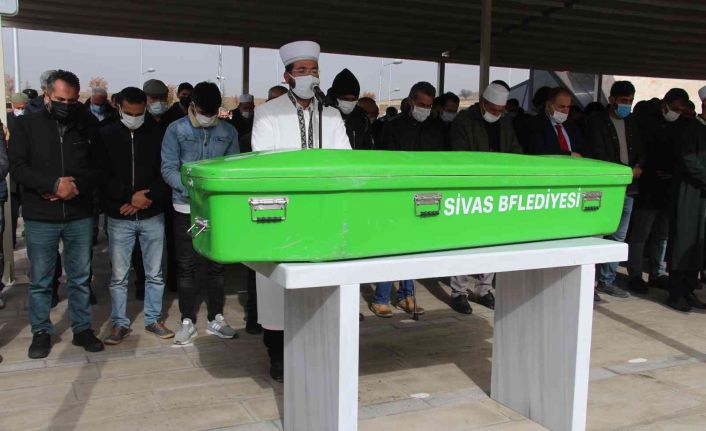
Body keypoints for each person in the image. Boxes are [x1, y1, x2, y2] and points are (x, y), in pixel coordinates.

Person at [251, 40, 350, 382]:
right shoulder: (269, 112)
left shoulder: (331, 114)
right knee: (277, 289)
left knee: (320, 284)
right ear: (288, 76)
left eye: (314, 69)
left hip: (323, 214)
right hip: (284, 213)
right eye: (302, 70)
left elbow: (344, 161)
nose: (310, 75)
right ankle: (277, 355)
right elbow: (264, 163)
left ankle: (317, 348)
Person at [9, 70, 104, 359]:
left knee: (80, 277)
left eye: (72, 100)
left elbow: (99, 167)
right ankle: (41, 331)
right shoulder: (26, 125)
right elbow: (18, 167)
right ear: (47, 96)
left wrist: (73, 187)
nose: (66, 105)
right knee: (41, 279)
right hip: (41, 215)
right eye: (60, 99)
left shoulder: (87, 124)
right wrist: (52, 185)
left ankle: (82, 328)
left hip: (78, 213)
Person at [162, 81, 239, 345]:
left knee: (216, 264)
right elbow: (168, 168)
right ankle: (187, 320)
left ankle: (216, 317)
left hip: (216, 210)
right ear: (193, 105)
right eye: (204, 111)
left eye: (213, 111)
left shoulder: (228, 131)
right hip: (185, 207)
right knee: (186, 265)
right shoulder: (176, 129)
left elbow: (233, 169)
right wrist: (191, 190)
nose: (208, 116)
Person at [95, 86, 174, 344]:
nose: (135, 118)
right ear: (119, 107)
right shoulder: (105, 134)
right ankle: (120, 323)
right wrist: (129, 198)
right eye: (129, 113)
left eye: (140, 113)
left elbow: (166, 172)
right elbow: (101, 175)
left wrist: (146, 199)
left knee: (155, 273)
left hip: (152, 214)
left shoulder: (158, 133)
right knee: (119, 275)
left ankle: (153, 318)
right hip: (119, 216)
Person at [448, 83, 522, 314]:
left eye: (500, 110)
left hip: (498, 191)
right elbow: (459, 155)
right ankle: (459, 292)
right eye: (492, 109)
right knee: (464, 241)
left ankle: (484, 289)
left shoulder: (506, 123)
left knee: (493, 241)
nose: (496, 114)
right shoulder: (464, 121)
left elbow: (515, 151)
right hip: (471, 190)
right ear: (482, 103)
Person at [587, 81, 645, 300]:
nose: (627, 105)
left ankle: (607, 281)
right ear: (611, 99)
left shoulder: (632, 122)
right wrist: (626, 171)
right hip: (606, 187)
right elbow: (599, 153)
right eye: (623, 101)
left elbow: (640, 148)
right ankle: (589, 283)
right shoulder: (597, 122)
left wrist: (638, 167)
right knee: (597, 234)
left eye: (630, 101)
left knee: (619, 236)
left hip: (628, 188)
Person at [631, 88, 692, 294]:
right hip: (648, 186)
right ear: (665, 103)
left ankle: (656, 273)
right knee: (641, 234)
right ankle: (635, 274)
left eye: (680, 111)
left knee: (662, 235)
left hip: (669, 188)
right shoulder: (646, 120)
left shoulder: (680, 125)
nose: (676, 113)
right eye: (675, 109)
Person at [666, 97, 706, 312]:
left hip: (702, 193)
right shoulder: (690, 128)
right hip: (688, 191)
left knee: (698, 245)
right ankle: (676, 293)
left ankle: (689, 289)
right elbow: (688, 160)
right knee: (683, 239)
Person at [379, 81, 445, 151]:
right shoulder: (392, 127)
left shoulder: (436, 127)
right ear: (410, 101)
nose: (425, 109)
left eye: (429, 106)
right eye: (421, 105)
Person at [529, 87, 584, 156]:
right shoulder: (535, 124)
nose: (565, 111)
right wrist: (568, 155)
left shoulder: (572, 126)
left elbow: (583, 148)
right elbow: (538, 150)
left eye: (568, 107)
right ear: (548, 105)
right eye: (561, 106)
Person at [327, 69, 373, 149]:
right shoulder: (323, 114)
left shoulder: (362, 119)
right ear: (335, 97)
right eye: (345, 99)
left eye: (353, 99)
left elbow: (368, 147)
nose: (349, 102)